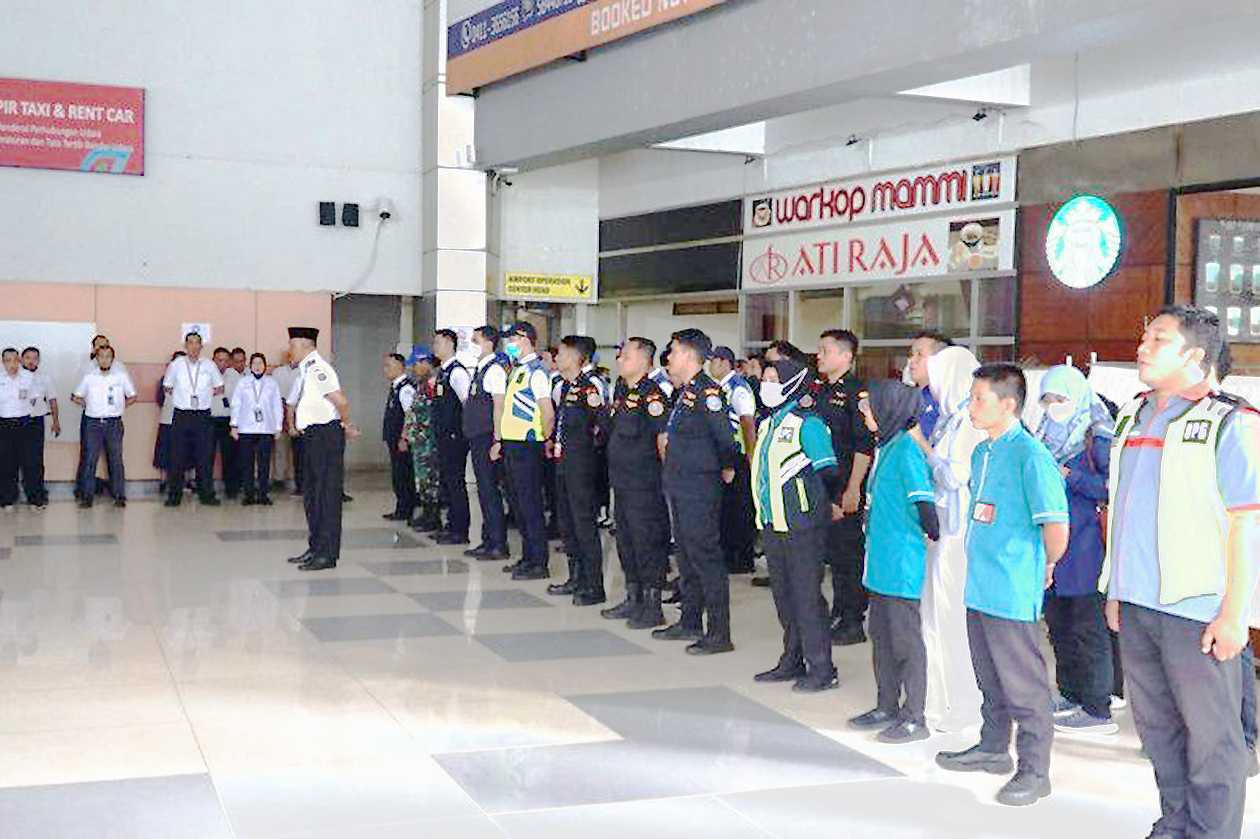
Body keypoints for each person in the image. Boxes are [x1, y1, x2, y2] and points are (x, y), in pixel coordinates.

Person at [1103, 306, 1260, 839]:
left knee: (1213, 738)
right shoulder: (1134, 414)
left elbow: (1248, 525)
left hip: (1197, 609)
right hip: (1139, 602)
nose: (1143, 347)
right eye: (1144, 336)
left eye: (1158, 340)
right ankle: (1175, 824)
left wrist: (1235, 615)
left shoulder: (1231, 422)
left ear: (1195, 356)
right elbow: (1121, 504)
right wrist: (1115, 587)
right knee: (1158, 728)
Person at [936, 364, 1069, 808]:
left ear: (1007, 404)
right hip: (980, 582)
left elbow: (1056, 527)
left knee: (1024, 684)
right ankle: (993, 747)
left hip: (1012, 586)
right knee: (988, 675)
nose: (971, 406)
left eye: (979, 399)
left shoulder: (1030, 455)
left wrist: (1042, 566)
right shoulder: (983, 452)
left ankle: (1035, 770)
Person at [849, 380, 939, 743]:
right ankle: (886, 704)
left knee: (906, 642)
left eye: (870, 407)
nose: (864, 413)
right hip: (880, 563)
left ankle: (914, 715)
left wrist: (931, 533)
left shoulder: (905, 451)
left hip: (901, 563)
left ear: (889, 410)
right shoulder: (885, 446)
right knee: (881, 638)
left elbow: (924, 505)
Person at [1033, 365, 1118, 736]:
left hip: (1085, 547)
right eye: (1048, 399)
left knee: (1088, 627)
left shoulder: (1096, 437)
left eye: (1061, 399)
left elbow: (1112, 487)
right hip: (1051, 546)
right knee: (1059, 625)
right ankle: (1070, 693)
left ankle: (1098, 706)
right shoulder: (1041, 435)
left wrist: (1073, 478)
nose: (1054, 407)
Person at [750, 357, 840, 691]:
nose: (767, 384)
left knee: (806, 598)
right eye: (765, 378)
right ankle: (792, 659)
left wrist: (812, 504)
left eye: (774, 378)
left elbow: (828, 471)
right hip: (773, 523)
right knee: (784, 597)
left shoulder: (808, 423)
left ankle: (822, 667)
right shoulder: (767, 424)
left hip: (802, 525)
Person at [654, 328, 740, 655]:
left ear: (690, 356)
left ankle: (719, 632)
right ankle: (689, 619)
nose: (670, 357)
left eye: (674, 351)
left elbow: (725, 439)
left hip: (699, 485)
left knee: (705, 555)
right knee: (687, 556)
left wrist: (726, 468)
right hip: (679, 482)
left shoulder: (708, 392)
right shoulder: (685, 392)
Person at [916, 344, 986, 732]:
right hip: (941, 529)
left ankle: (960, 703)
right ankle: (937, 699)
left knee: (950, 619)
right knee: (934, 618)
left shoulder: (966, 425)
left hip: (956, 534)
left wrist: (923, 449)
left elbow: (954, 476)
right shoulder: (950, 420)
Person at [602, 336, 671, 629]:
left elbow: (663, 439)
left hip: (645, 484)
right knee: (626, 543)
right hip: (622, 482)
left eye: (626, 356)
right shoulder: (622, 391)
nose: (620, 360)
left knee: (646, 543)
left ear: (644, 360)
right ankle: (634, 598)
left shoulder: (652, 395)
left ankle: (653, 605)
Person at [813, 329, 876, 645]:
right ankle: (839, 612)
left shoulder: (857, 392)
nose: (819, 356)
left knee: (848, 554)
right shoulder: (820, 389)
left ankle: (852, 620)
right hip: (822, 484)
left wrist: (853, 489)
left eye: (825, 350)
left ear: (845, 356)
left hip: (845, 485)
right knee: (833, 556)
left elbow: (864, 445)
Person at [285, 327, 359, 572]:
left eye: (293, 345)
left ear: (306, 346)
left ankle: (327, 554)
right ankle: (315, 547)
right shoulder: (305, 370)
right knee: (312, 496)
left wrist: (346, 424)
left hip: (325, 436)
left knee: (326, 496)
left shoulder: (318, 369)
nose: (290, 350)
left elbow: (341, 401)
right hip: (312, 437)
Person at [547, 336, 609, 606]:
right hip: (563, 461)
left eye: (561, 353)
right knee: (567, 522)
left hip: (581, 464)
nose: (557, 358)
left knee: (584, 524)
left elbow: (603, 425)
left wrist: (591, 451)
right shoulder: (565, 386)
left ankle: (593, 585)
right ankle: (575, 577)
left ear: (575, 357)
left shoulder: (589, 387)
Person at [492, 323, 555, 580]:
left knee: (530, 505)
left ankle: (539, 562)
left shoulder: (536, 372)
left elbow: (547, 412)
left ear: (525, 339)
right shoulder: (516, 370)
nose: (508, 344)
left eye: (512, 339)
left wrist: (545, 439)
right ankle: (527, 557)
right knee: (517, 505)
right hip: (512, 443)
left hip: (528, 446)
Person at [709, 346, 758, 576]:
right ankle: (729, 554)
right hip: (726, 456)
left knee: (739, 509)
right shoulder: (722, 387)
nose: (710, 366)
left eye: (713, 361)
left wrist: (750, 458)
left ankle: (741, 558)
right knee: (727, 510)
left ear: (723, 362)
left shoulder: (737, 388)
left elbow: (747, 424)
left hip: (738, 457)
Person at [463, 326, 510, 561]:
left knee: (490, 491)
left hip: (487, 438)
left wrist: (497, 440)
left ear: (489, 343)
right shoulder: (480, 370)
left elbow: (499, 407)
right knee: (483, 491)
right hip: (476, 436)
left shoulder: (494, 371)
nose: (471, 343)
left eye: (476, 340)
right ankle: (487, 539)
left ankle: (498, 543)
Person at [163, 332, 224, 507]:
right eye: (190, 343)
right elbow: (167, 388)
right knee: (177, 456)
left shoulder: (209, 365)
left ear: (202, 346)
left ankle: (207, 494)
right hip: (182, 414)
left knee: (204, 457)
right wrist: (181, 398)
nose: (194, 347)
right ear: (185, 345)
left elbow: (219, 387)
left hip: (202, 415)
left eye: (197, 343)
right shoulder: (176, 365)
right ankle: (174, 495)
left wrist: (204, 395)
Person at [70, 346, 136, 508]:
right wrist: (89, 405)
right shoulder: (89, 377)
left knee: (116, 460)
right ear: (97, 359)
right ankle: (87, 497)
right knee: (90, 459)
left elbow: (133, 396)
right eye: (101, 356)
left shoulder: (121, 376)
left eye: (108, 357)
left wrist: (119, 407)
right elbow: (75, 396)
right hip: (93, 423)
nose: (105, 359)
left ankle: (119, 495)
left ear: (112, 359)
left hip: (114, 423)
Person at [432, 329, 471, 545]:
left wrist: (461, 430)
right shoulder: (443, 372)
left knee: (456, 481)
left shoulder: (457, 373)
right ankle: (451, 524)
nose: (435, 347)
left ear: (449, 344)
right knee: (447, 481)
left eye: (437, 342)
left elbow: (467, 403)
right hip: (444, 435)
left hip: (455, 436)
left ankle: (460, 529)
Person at [230, 352, 284, 506]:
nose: (258, 366)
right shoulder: (243, 382)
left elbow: (276, 406)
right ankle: (248, 494)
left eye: (261, 363)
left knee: (264, 463)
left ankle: (263, 494)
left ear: (265, 366)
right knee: (246, 463)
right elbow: (236, 404)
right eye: (255, 363)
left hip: (266, 429)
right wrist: (234, 425)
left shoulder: (272, 383)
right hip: (246, 428)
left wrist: (278, 426)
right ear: (250, 365)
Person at [403, 350, 442, 533]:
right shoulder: (421, 385)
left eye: (417, 364)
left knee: (430, 479)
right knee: (422, 480)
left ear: (426, 362)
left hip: (429, 441)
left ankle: (433, 516)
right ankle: (427, 513)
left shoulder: (434, 384)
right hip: (419, 440)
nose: (414, 369)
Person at [381, 352, 418, 522]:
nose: (385, 370)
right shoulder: (395, 387)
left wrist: (404, 437)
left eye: (389, 366)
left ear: (400, 367)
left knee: (403, 475)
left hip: (401, 440)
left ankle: (405, 509)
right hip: (393, 438)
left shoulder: (405, 388)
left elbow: (410, 414)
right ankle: (401, 506)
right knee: (398, 474)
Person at [19, 347, 56, 509]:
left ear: (39, 361)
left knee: (35, 461)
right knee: (13, 460)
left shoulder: (45, 378)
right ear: (21, 360)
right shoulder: (15, 377)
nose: (31, 361)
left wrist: (56, 420)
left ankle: (36, 495)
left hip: (36, 422)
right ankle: (10, 495)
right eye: (28, 358)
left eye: (35, 358)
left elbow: (52, 400)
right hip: (16, 422)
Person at [0, 348, 34, 512]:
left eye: (15, 360)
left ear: (19, 361)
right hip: (5, 424)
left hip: (25, 423)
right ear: (3, 362)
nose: (12, 364)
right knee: (7, 463)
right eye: (8, 360)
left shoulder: (28, 377)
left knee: (29, 462)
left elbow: (35, 399)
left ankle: (33, 498)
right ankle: (8, 499)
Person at [906, 332, 954, 441]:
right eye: (911, 355)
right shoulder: (908, 398)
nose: (912, 361)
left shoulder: (947, 402)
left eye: (920, 354)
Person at [210, 346, 242, 500]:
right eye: (218, 360)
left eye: (224, 360)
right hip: (209, 418)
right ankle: (206, 488)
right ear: (213, 360)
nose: (221, 363)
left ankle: (231, 489)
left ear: (229, 361)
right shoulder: (206, 373)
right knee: (206, 455)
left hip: (228, 419)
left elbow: (237, 399)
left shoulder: (234, 376)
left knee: (230, 456)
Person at [154, 350, 186, 495]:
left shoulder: (191, 380)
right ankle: (163, 481)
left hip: (185, 420)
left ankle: (186, 481)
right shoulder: (164, 379)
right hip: (167, 420)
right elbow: (160, 399)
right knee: (164, 451)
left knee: (185, 451)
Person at [271, 351, 301, 494]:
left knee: (299, 450)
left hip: (299, 412)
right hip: (281, 410)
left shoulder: (304, 371)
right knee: (280, 448)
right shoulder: (277, 372)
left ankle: (300, 480)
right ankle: (278, 479)